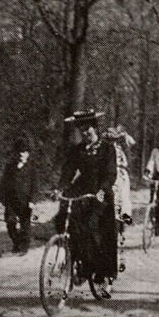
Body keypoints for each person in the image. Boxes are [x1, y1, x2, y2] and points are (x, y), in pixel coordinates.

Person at [56, 110, 118, 297]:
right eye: (81, 129)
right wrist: (60, 188)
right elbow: (68, 172)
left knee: (93, 227)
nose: (85, 133)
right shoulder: (77, 150)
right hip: (82, 191)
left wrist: (102, 190)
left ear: (95, 128)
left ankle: (103, 272)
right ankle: (77, 264)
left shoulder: (107, 148)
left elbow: (110, 174)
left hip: (101, 194)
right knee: (65, 221)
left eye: (88, 128)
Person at [0, 134, 37, 254]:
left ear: (28, 153)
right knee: (10, 223)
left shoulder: (32, 168)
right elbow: (4, 182)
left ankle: (24, 247)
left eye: (24, 152)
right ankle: (16, 242)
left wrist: (32, 201)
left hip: (25, 201)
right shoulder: (10, 166)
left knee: (25, 226)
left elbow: (35, 186)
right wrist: (0, 198)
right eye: (19, 151)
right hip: (11, 201)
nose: (21, 154)